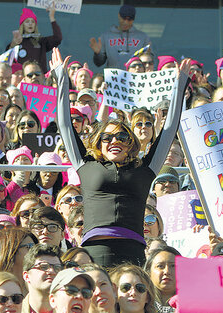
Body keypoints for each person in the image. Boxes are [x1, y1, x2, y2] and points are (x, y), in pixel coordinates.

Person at [51, 47, 190, 267]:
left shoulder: (146, 169)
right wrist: (61, 78)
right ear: (98, 143)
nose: (114, 141)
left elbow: (169, 129)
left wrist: (180, 84)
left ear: (131, 144)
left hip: (133, 251)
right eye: (107, 137)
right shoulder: (85, 164)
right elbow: (65, 125)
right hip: (93, 251)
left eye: (122, 137)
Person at [89, 5, 150, 69]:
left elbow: (149, 62)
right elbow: (99, 63)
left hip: (134, 75)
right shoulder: (106, 36)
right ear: (119, 16)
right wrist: (98, 54)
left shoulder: (143, 37)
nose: (126, 22)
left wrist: (148, 54)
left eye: (129, 19)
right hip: (113, 76)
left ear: (133, 19)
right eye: (124, 18)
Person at [8, 6, 62, 74]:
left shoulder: (41, 41)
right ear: (22, 25)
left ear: (35, 26)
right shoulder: (17, 41)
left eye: (33, 22)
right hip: (22, 79)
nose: (30, 23)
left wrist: (52, 17)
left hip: (39, 79)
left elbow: (58, 38)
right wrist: (14, 44)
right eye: (27, 21)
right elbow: (7, 60)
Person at [0, 228, 38, 294]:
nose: (35, 252)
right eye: (29, 247)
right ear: (10, 252)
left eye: (35, 247)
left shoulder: (40, 286)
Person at [22, 244, 62, 313]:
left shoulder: (69, 310)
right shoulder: (15, 310)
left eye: (57, 268)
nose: (52, 271)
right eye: (44, 267)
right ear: (27, 276)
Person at [144, 247, 180, 313]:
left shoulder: (192, 304)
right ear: (148, 273)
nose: (167, 271)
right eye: (160, 266)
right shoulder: (140, 303)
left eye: (173, 266)